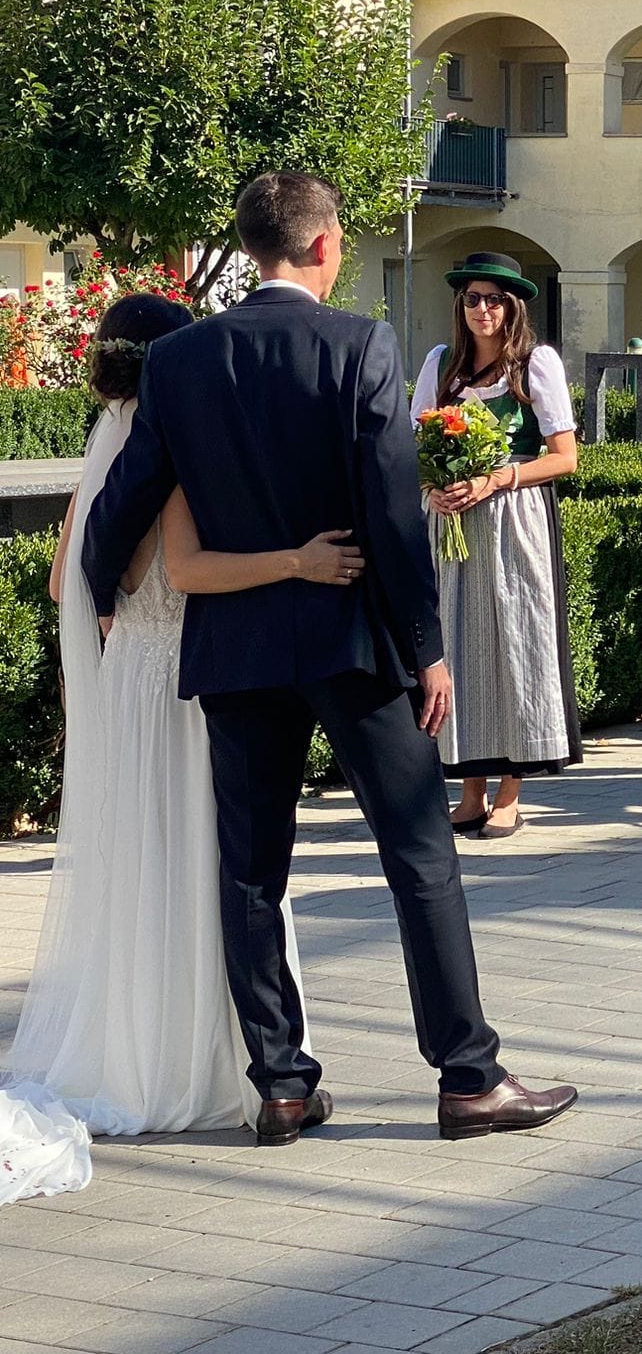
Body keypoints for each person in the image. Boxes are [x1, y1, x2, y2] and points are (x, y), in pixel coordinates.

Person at [82, 172, 574, 1144]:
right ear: (322, 246)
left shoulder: (181, 361)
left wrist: (103, 597)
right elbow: (392, 509)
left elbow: (126, 498)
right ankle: (467, 1078)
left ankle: (283, 1083)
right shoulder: (361, 344)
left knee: (251, 873)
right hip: (351, 641)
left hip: (237, 650)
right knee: (419, 853)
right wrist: (426, 650)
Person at [1, 294, 354, 1159]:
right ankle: (224, 1065)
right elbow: (191, 567)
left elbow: (64, 584)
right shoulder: (169, 437)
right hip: (184, 683)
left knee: (142, 870)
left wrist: (127, 605)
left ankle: (134, 1048)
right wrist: (297, 561)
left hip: (130, 681)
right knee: (218, 868)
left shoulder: (107, 436)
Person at [412, 253, 583, 838]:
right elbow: (414, 445)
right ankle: (470, 789)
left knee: (515, 640)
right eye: (471, 299)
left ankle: (511, 791)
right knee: (457, 641)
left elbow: (565, 457)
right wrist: (433, 484)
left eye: (493, 299)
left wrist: (497, 478)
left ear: (513, 306)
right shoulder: (441, 365)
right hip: (454, 521)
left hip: (514, 518)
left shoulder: (534, 364)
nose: (481, 309)